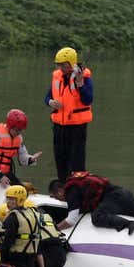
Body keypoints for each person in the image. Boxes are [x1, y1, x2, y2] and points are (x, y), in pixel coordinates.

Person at [47, 47, 93, 182]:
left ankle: (77, 190)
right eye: (59, 64)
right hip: (59, 126)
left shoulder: (84, 77)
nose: (61, 67)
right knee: (60, 160)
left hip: (77, 127)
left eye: (63, 64)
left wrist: (80, 85)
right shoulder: (57, 77)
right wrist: (50, 102)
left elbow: (88, 99)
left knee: (77, 163)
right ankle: (63, 187)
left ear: (71, 63)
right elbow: (47, 96)